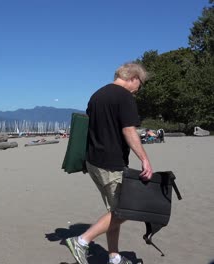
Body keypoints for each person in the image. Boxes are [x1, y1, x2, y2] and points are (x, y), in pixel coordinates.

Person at [65, 63, 153, 264]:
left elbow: (90, 127)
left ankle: (114, 257)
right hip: (111, 163)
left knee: (114, 210)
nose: (139, 88)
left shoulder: (97, 95)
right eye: (140, 83)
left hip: (94, 161)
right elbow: (129, 130)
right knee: (127, 209)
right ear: (133, 77)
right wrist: (145, 159)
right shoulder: (124, 97)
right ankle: (82, 241)